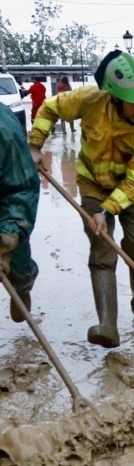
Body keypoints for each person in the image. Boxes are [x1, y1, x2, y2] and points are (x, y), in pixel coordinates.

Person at [28, 51, 134, 348]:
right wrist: (36, 144)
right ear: (114, 97)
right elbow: (50, 108)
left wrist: (108, 209)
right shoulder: (90, 99)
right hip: (91, 183)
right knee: (102, 249)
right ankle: (107, 324)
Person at [0, 102, 40, 322]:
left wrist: (5, 243)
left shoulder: (4, 129)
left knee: (20, 268)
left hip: (4, 204)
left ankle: (21, 289)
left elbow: (21, 191)